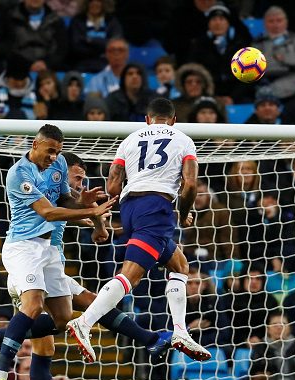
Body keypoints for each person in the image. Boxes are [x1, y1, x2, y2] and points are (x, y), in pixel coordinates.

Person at [0, 124, 114, 380]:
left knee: (59, 323)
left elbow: (63, 201)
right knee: (36, 308)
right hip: (22, 248)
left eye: (58, 152)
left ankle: (0, 338)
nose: (53, 158)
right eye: (49, 151)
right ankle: (0, 375)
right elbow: (48, 212)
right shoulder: (19, 173)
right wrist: (89, 211)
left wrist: (83, 205)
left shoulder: (58, 165)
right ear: (35, 144)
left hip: (49, 253)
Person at [66, 98, 211, 363]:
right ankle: (84, 322)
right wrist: (184, 210)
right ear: (174, 120)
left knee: (179, 265)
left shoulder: (130, 140)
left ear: (147, 119)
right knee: (130, 277)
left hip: (131, 207)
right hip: (156, 206)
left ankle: (180, 331)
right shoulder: (183, 140)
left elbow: (112, 185)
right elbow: (190, 185)